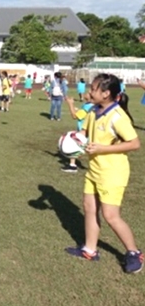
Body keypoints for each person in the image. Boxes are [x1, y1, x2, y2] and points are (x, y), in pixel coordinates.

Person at [65, 74, 143, 274]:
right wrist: (71, 140)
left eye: (93, 89)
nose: (89, 92)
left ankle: (134, 253)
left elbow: (135, 144)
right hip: (94, 170)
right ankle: (90, 250)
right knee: (89, 208)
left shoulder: (117, 116)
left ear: (106, 94)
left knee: (111, 216)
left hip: (113, 173)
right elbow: (84, 134)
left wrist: (101, 149)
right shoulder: (93, 111)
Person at [61, 94, 94, 173]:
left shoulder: (88, 106)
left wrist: (70, 104)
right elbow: (81, 113)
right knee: (75, 145)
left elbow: (75, 116)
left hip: (84, 132)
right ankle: (72, 165)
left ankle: (95, 168)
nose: (86, 93)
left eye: (88, 93)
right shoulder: (87, 105)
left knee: (88, 149)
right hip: (84, 131)